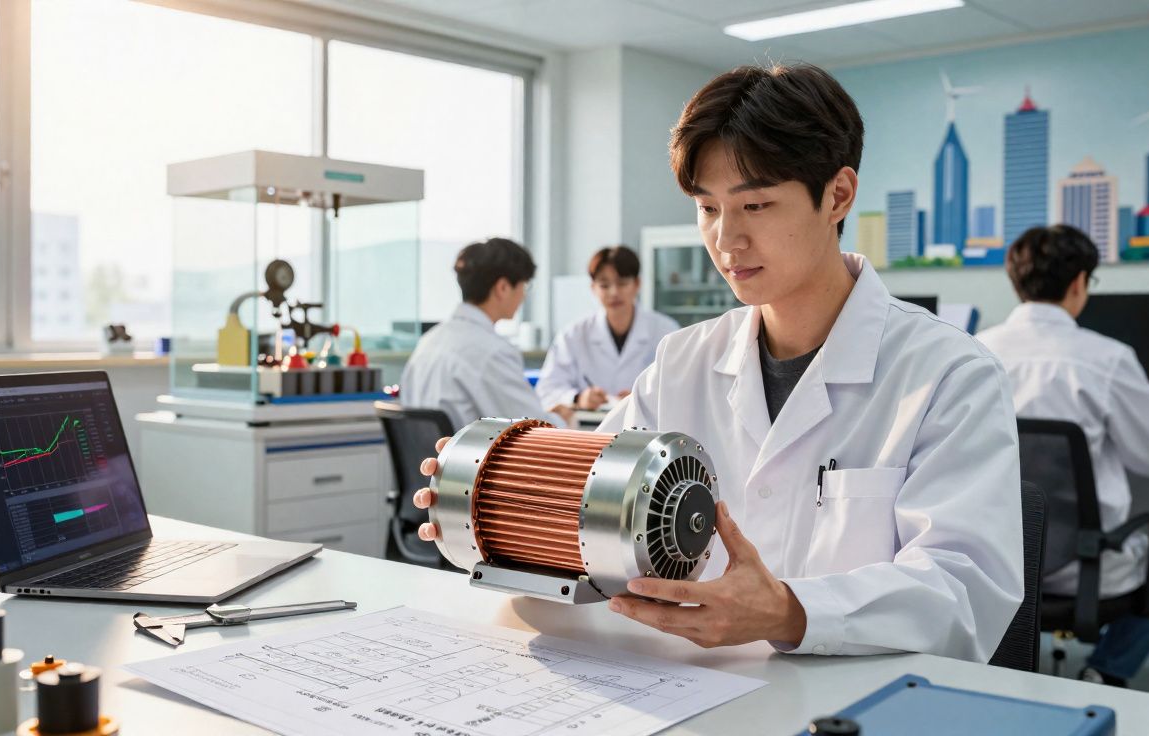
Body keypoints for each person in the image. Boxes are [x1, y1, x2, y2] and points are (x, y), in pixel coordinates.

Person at [413, 63, 1023, 663]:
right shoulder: (683, 360)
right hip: (692, 689)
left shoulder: (950, 375)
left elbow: (965, 592)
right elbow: (585, 513)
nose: (726, 241)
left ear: (837, 195)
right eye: (708, 208)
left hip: (858, 704)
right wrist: (487, 505)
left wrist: (791, 610)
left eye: (755, 206)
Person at [977, 224, 1149, 686]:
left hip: (992, 558)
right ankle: (1104, 673)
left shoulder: (976, 350)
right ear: (1079, 282)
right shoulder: (1106, 358)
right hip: (1080, 568)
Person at [400, 237, 574, 430]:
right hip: (467, 459)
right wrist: (563, 420)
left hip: (430, 459)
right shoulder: (491, 352)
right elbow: (532, 431)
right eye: (524, 286)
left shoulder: (429, 341)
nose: (524, 295)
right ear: (502, 288)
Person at [536, 246, 679, 412]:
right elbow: (547, 389)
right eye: (604, 285)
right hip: (588, 430)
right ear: (593, 288)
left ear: (637, 284)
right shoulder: (573, 335)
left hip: (647, 428)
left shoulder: (666, 330)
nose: (614, 292)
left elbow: (680, 387)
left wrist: (645, 397)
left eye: (622, 283)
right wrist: (578, 398)